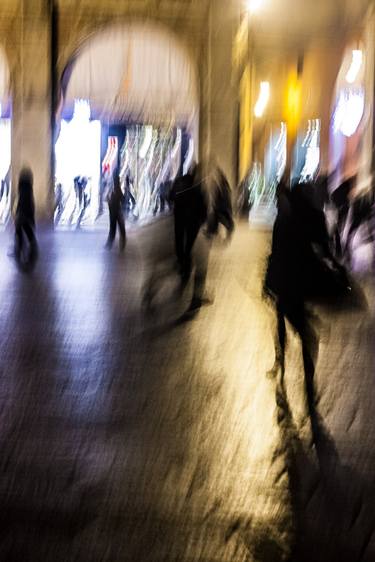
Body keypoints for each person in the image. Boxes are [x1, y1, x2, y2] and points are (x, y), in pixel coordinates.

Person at [264, 177, 343, 442]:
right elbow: (324, 250)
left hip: (284, 285)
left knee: (284, 321)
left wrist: (267, 281)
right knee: (307, 337)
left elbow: (274, 252)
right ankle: (308, 391)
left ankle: (282, 364)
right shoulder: (312, 218)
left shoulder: (284, 219)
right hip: (298, 286)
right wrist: (335, 267)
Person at [14, 167, 38, 266]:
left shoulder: (23, 189)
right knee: (27, 231)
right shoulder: (28, 189)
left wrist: (18, 213)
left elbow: (21, 202)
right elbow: (31, 203)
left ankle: (20, 249)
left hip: (23, 214)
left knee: (19, 230)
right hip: (27, 214)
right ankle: (31, 249)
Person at [105, 171, 126, 251]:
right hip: (114, 211)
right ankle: (111, 244)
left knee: (117, 228)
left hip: (116, 211)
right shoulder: (115, 188)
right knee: (116, 228)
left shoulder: (117, 188)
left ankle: (114, 244)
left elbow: (122, 199)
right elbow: (122, 199)